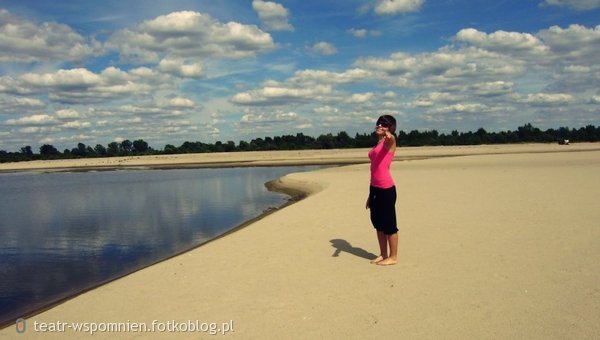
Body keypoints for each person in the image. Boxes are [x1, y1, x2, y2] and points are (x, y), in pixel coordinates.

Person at [365, 115, 398, 266]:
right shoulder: (378, 143)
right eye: (378, 123)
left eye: (384, 124)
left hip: (386, 189)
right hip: (375, 188)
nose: (379, 125)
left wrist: (389, 134)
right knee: (378, 223)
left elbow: (391, 139)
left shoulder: (388, 142)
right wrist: (370, 195)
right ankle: (383, 254)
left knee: (389, 224)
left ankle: (393, 257)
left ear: (390, 127)